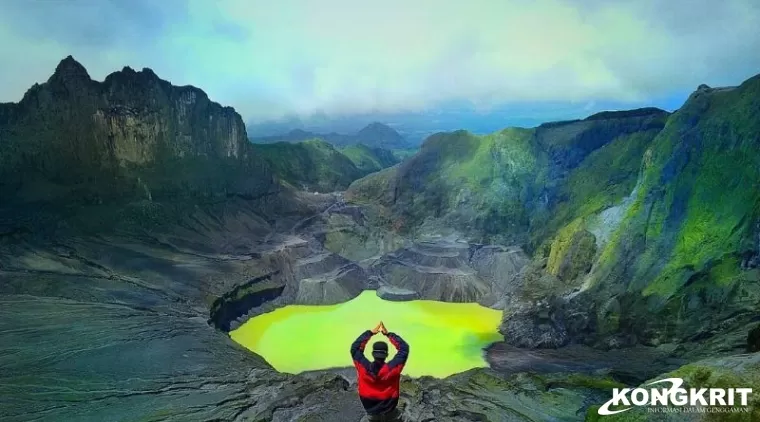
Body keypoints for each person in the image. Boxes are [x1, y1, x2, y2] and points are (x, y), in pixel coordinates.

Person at [350, 321, 409, 421]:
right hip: (391, 412)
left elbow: (355, 349)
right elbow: (404, 348)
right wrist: (388, 334)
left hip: (371, 414)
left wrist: (370, 333)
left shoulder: (364, 368)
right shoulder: (393, 368)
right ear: (386, 355)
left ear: (373, 354)